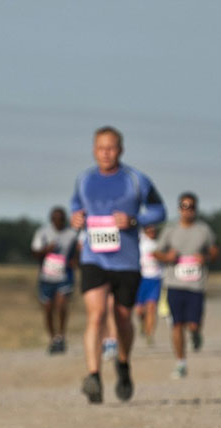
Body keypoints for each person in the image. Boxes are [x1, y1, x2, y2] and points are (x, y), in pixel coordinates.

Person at [70, 126, 166, 403]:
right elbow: (75, 207)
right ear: (93, 150)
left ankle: (123, 364)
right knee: (96, 315)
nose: (106, 153)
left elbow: (159, 210)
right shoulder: (84, 180)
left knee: (122, 318)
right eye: (101, 148)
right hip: (94, 258)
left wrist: (135, 221)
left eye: (111, 148)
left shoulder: (136, 180)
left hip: (126, 261)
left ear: (120, 150)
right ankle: (94, 376)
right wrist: (75, 218)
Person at [154, 193, 218, 379]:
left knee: (193, 324)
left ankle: (196, 333)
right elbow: (156, 252)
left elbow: (215, 250)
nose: (187, 210)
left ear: (196, 209)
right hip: (174, 283)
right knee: (176, 324)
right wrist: (167, 257)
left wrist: (205, 258)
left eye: (191, 207)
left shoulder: (203, 230)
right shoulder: (170, 230)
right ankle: (181, 362)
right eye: (184, 206)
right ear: (179, 208)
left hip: (196, 285)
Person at [31, 206, 78, 354]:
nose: (59, 222)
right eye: (56, 219)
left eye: (61, 219)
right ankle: (53, 338)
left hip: (64, 277)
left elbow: (79, 251)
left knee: (61, 305)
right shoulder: (42, 232)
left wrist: (75, 261)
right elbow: (34, 252)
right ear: (51, 220)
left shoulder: (72, 234)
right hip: (46, 277)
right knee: (48, 309)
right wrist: (46, 250)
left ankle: (61, 336)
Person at [134, 224, 163, 345]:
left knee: (151, 307)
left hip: (155, 279)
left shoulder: (160, 243)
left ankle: (149, 334)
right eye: (149, 229)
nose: (152, 231)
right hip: (141, 279)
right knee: (139, 310)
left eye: (153, 229)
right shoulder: (140, 242)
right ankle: (142, 322)